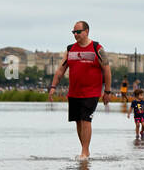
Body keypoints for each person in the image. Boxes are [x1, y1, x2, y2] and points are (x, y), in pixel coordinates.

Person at [47, 21, 112, 159]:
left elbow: (106, 69)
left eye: (78, 32)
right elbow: (60, 69)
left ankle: (84, 151)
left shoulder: (97, 48)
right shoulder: (70, 49)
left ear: (86, 31)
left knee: (86, 120)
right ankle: (85, 150)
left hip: (91, 92)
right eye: (73, 32)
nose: (75, 35)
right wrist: (53, 86)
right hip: (74, 92)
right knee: (78, 121)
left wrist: (107, 91)